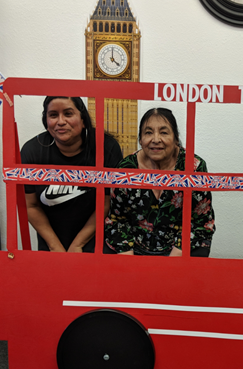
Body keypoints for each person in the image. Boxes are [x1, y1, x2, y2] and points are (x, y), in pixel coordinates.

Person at [105, 107, 215, 256]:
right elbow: (117, 218)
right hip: (135, 245)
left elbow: (201, 221)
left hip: (181, 245)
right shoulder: (126, 168)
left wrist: (173, 261)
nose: (156, 139)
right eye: (148, 132)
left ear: (176, 138)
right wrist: (128, 259)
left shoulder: (194, 167)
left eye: (164, 132)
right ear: (140, 139)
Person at [20, 96, 122, 252]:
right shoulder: (32, 152)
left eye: (68, 114)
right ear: (46, 122)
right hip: (51, 240)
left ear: (83, 119)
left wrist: (79, 244)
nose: (60, 121)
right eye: (53, 115)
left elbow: (106, 203)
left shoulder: (106, 147)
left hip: (96, 238)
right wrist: (54, 246)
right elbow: (31, 205)